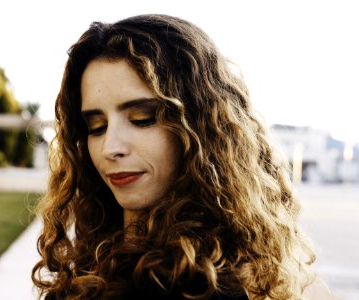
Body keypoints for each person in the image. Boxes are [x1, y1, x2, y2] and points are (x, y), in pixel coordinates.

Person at [32, 14, 333, 299]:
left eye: (143, 119)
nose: (111, 147)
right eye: (96, 126)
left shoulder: (204, 284)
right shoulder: (100, 248)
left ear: (200, 128)